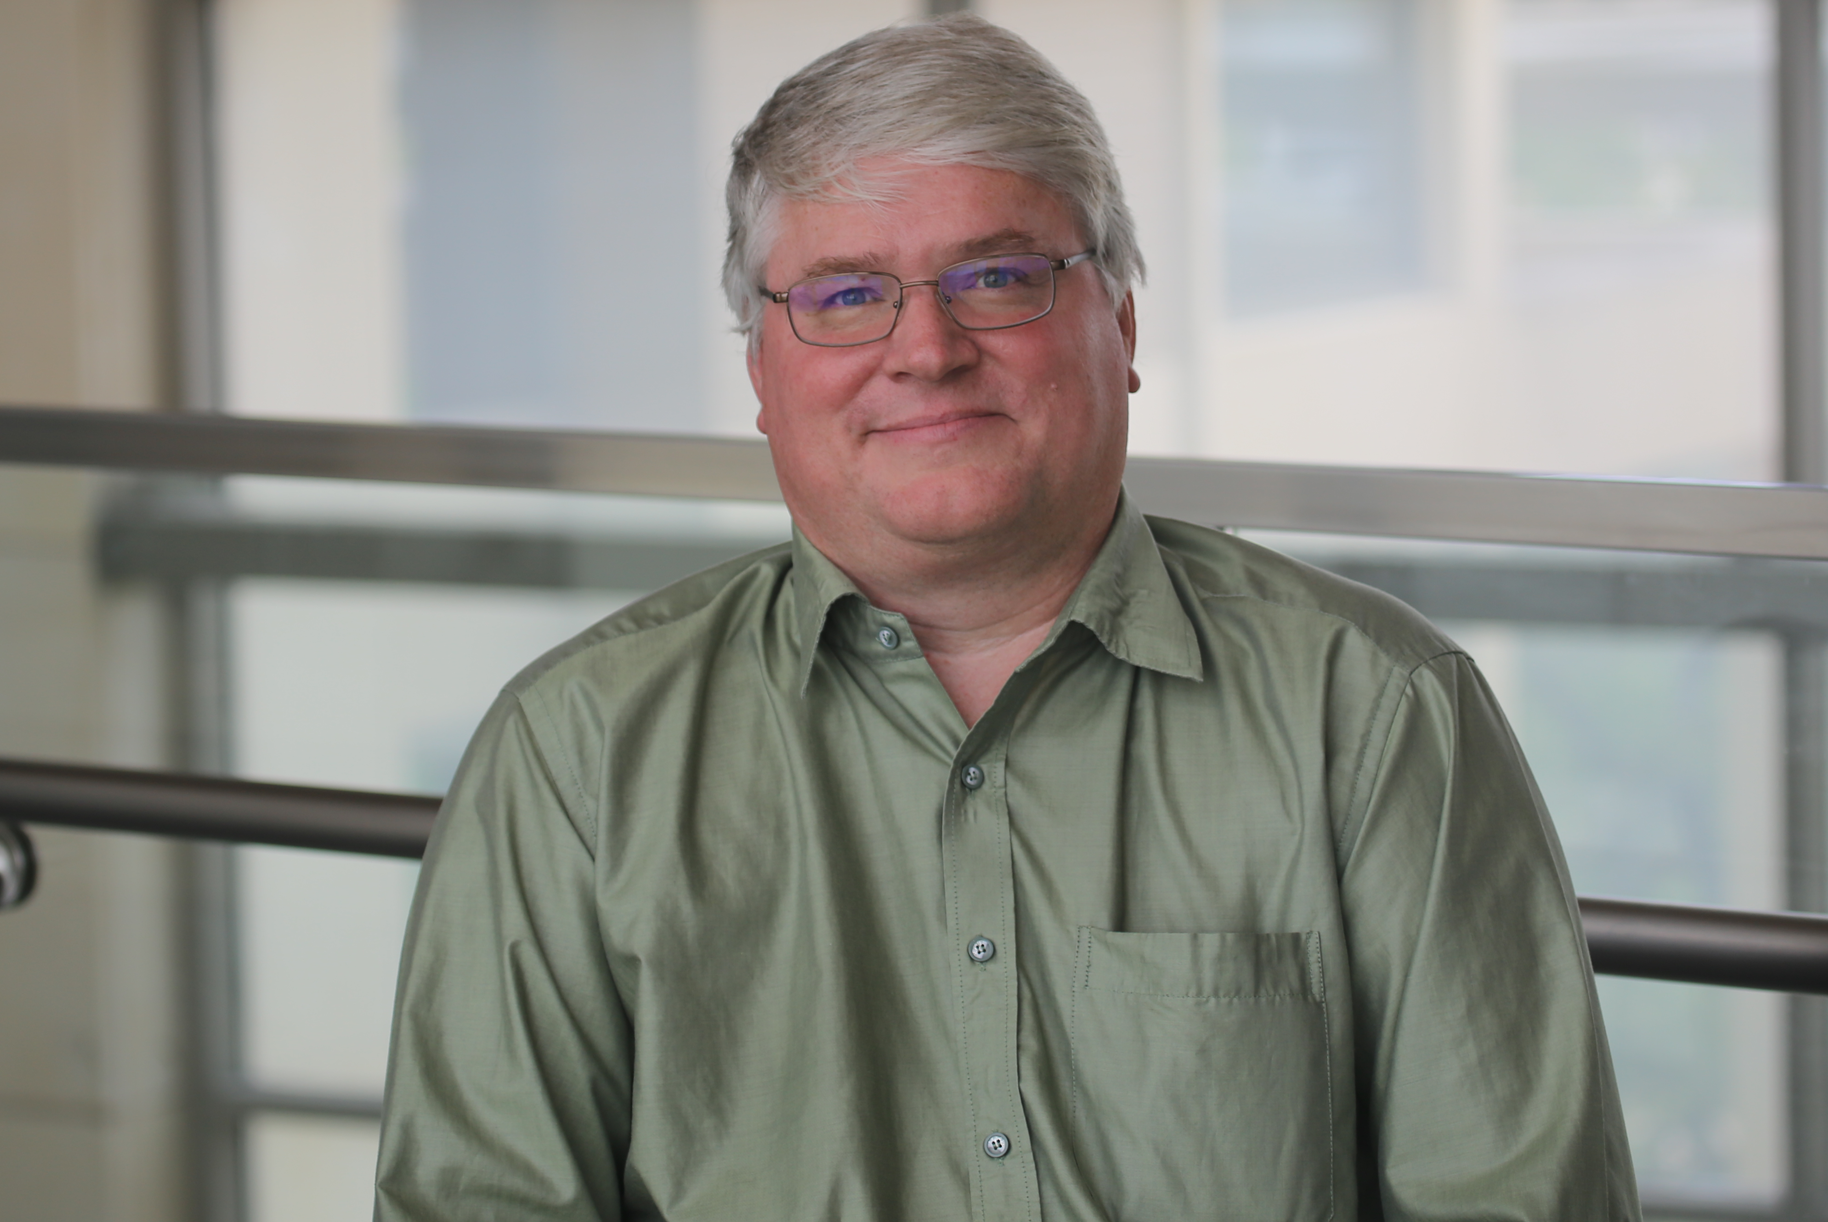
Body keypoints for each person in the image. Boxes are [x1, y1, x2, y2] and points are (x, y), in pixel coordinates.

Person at [373, 15, 1639, 1222]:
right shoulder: (575, 754)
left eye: (995, 276)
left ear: (1123, 323)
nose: (923, 348)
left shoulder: (1371, 710)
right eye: (843, 294)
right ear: (762, 372)